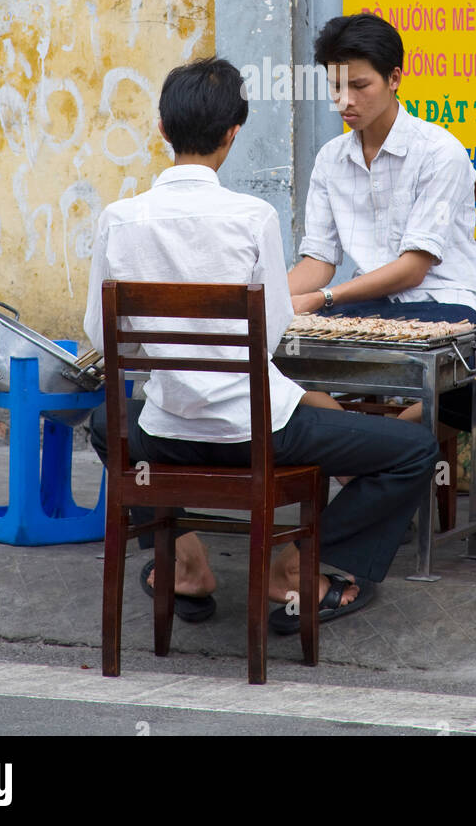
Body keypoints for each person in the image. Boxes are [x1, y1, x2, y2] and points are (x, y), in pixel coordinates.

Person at [83, 56, 439, 632]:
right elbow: (270, 334)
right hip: (262, 436)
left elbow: (104, 337)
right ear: (232, 134)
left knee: (106, 424)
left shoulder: (119, 219)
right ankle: (297, 570)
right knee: (413, 449)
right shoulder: (253, 217)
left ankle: (185, 563)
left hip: (168, 433)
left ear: (161, 128)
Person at [287, 13, 476, 431]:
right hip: (367, 310)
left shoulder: (439, 152)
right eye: (336, 87)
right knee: (266, 357)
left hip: (445, 307)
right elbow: (318, 262)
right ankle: (375, 447)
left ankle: (374, 447)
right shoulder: (330, 159)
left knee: (467, 382)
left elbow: (414, 269)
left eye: (360, 86)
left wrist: (322, 299)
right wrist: (261, 301)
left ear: (395, 78)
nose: (345, 101)